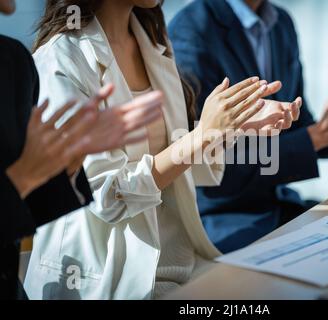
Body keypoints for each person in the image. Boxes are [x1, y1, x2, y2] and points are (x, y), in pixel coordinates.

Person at [24, 0, 300, 300]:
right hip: (108, 281)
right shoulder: (61, 59)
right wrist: (204, 135)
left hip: (179, 265)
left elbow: (181, 163)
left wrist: (232, 126)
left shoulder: (152, 40)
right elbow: (107, 196)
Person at [169, 0, 328, 253]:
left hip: (279, 206)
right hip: (225, 219)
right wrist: (317, 136)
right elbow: (208, 165)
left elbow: (295, 126)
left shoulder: (281, 24)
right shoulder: (192, 30)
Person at [0, 0, 164, 300]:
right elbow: (106, 197)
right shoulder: (58, 56)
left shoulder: (12, 62)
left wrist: (69, 162)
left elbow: (33, 206)